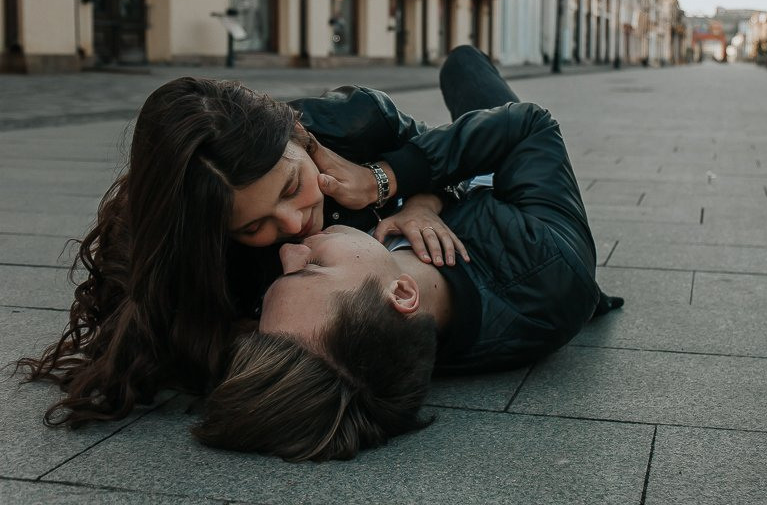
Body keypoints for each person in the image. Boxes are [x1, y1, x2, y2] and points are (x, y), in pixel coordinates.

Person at [192, 48, 622, 461]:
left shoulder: (350, 340)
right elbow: (530, 127)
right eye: (312, 268)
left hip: (439, 167)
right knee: (465, 66)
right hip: (514, 189)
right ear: (400, 293)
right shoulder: (548, 263)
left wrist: (420, 199)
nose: (288, 250)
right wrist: (392, 179)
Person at [19, 70, 468, 427]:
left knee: (471, 86)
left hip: (493, 151)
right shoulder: (203, 263)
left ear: (298, 139)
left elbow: (455, 160)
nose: (293, 223)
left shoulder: (354, 122)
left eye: (292, 185)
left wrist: (423, 203)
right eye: (255, 225)